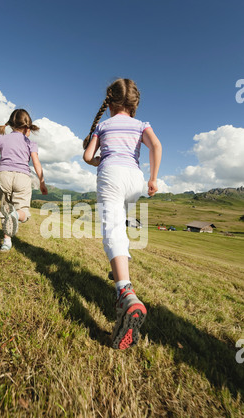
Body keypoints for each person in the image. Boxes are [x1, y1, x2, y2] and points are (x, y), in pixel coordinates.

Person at [83, 78, 162, 350]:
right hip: (135, 180)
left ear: (110, 102)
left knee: (113, 230)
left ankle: (125, 293)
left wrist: (100, 159)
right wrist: (153, 179)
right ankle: (119, 271)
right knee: (122, 228)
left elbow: (87, 157)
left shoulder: (103, 125)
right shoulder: (142, 125)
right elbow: (156, 146)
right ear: (134, 103)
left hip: (112, 175)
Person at [0, 108, 48, 252]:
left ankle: (6, 242)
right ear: (27, 127)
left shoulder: (0, 138)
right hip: (23, 177)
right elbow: (36, 163)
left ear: (11, 124)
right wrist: (42, 182)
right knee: (24, 212)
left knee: (5, 209)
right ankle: (16, 215)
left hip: (3, 175)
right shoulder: (30, 143)